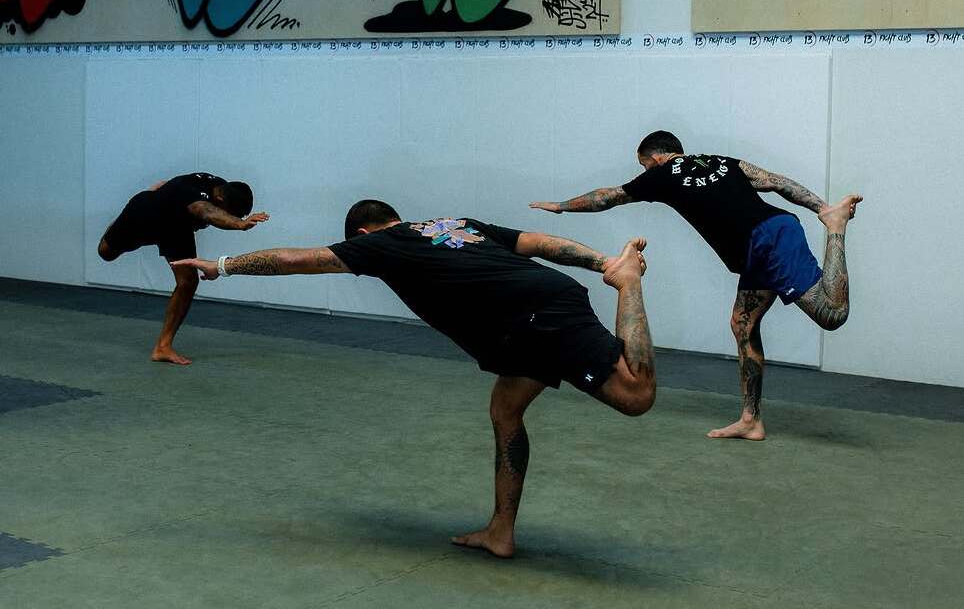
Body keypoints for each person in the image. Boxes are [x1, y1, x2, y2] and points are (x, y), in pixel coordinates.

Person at [173, 199, 656, 558]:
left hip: (532, 319)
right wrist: (599, 261)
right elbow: (536, 242)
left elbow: (298, 260)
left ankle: (629, 284)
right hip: (531, 315)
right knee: (506, 408)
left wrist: (221, 266)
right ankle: (500, 532)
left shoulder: (379, 245)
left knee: (636, 396)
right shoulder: (455, 223)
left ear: (363, 233)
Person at [530, 130, 862, 441]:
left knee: (831, 313)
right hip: (760, 245)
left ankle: (836, 228)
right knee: (742, 324)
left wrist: (561, 207)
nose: (645, 171)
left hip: (766, 241)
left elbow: (609, 197)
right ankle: (751, 420)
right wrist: (820, 205)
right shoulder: (721, 161)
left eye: (644, 165)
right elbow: (776, 182)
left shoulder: (661, 174)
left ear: (656, 158)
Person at [98, 172, 270, 365]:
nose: (226, 216)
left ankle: (163, 347)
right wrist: (239, 224)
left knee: (188, 281)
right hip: (144, 216)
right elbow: (206, 212)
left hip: (175, 228)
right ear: (219, 198)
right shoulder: (196, 198)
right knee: (105, 253)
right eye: (227, 212)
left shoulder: (223, 188)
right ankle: (119, 222)